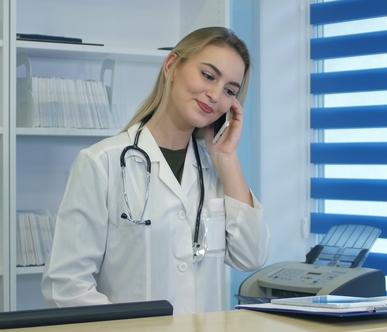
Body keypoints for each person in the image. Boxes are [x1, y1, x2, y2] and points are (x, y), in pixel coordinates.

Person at [41, 27, 270, 315]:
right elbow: (65, 287)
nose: (214, 95)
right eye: (208, 76)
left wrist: (226, 156)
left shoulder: (215, 171)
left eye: (229, 91)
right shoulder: (102, 162)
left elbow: (251, 257)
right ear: (172, 66)